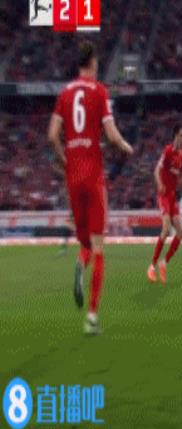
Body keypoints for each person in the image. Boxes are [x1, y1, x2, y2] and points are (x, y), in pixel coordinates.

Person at [47, 41, 133, 335]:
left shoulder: (65, 93)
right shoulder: (99, 91)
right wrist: (126, 147)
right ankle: (92, 318)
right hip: (94, 175)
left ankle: (78, 266)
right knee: (99, 248)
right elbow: (111, 136)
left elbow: (52, 135)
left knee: (85, 243)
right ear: (93, 62)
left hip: (73, 176)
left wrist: (65, 162)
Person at [147, 124, 182, 283]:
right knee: (166, 229)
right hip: (163, 195)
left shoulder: (181, 155)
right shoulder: (168, 151)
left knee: (181, 232)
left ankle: (164, 263)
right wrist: (160, 184)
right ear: (175, 136)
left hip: (172, 197)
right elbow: (156, 170)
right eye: (181, 135)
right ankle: (151, 266)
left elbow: (179, 175)